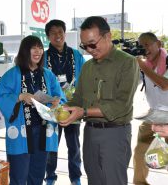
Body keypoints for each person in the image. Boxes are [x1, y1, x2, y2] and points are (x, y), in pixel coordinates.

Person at [59, 16, 140, 185]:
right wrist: (63, 107)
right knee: (94, 180)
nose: (89, 49)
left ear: (108, 36)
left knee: (113, 181)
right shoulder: (88, 67)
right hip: (90, 133)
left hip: (115, 134)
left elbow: (121, 105)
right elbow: (79, 98)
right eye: (84, 46)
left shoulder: (127, 63)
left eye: (92, 44)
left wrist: (84, 112)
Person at [0, 35, 65, 185]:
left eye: (40, 48)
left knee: (38, 174)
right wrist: (20, 96)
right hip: (21, 133)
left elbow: (60, 95)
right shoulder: (11, 75)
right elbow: (1, 97)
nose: (38, 51)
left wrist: (56, 102)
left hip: (43, 132)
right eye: (33, 48)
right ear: (25, 51)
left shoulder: (48, 75)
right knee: (19, 176)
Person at [43, 19, 85, 185]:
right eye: (53, 33)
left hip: (73, 107)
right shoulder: (44, 57)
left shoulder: (76, 55)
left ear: (64, 33)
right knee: (51, 146)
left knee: (74, 146)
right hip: (51, 109)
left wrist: (80, 101)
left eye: (60, 31)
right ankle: (50, 177)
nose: (57, 35)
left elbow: (84, 80)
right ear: (48, 36)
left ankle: (75, 178)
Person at [133, 32, 168, 185]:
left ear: (159, 44)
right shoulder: (145, 64)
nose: (144, 49)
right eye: (140, 46)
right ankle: (139, 182)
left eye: (147, 44)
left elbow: (165, 85)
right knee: (140, 150)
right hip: (154, 115)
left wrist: (142, 66)